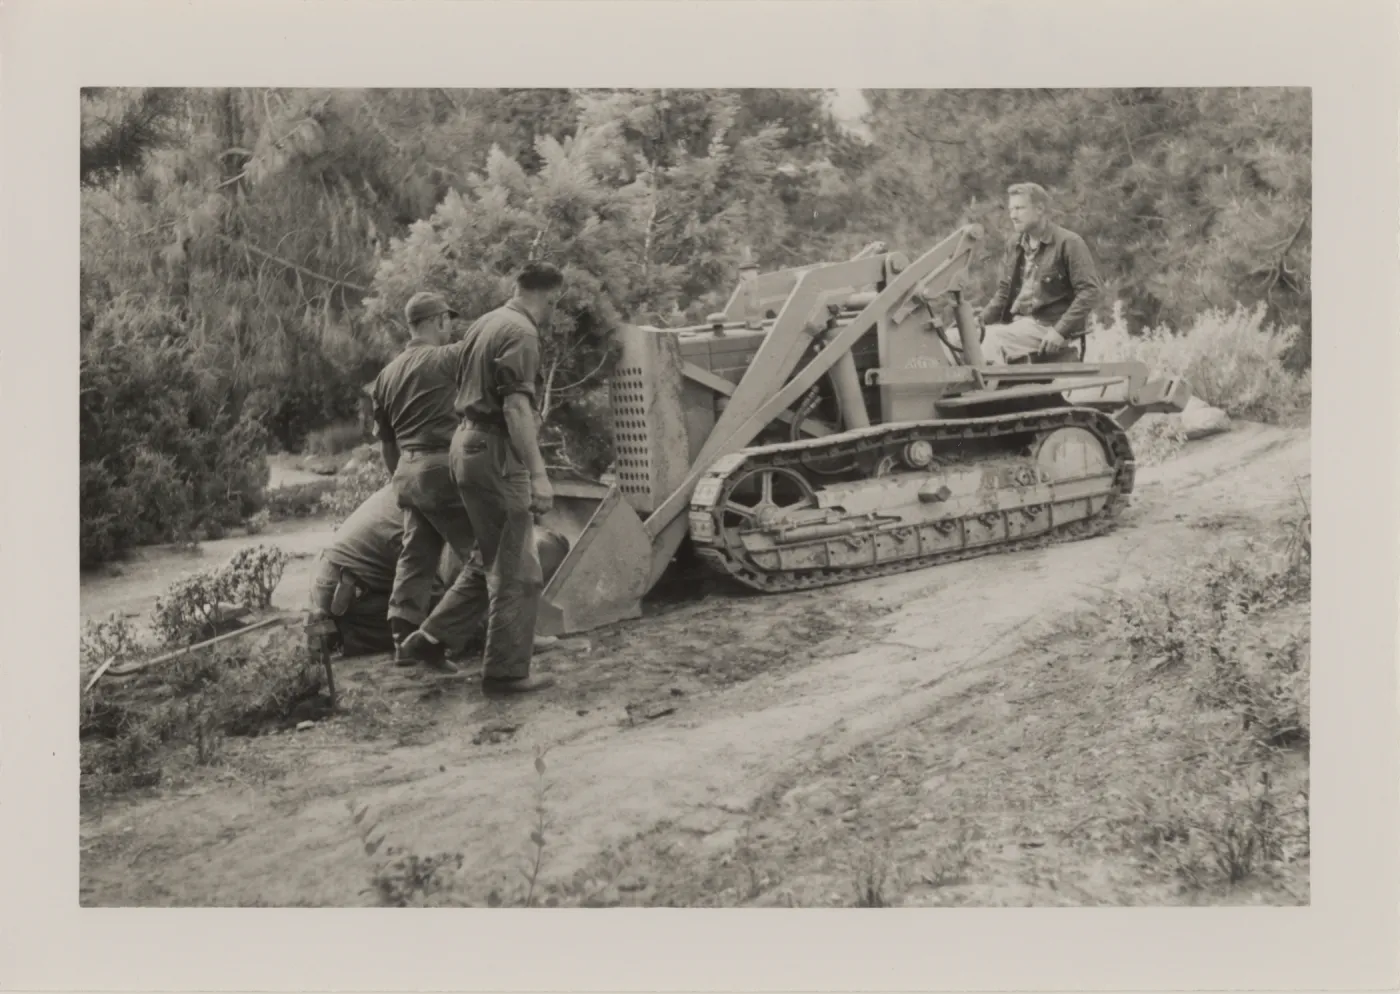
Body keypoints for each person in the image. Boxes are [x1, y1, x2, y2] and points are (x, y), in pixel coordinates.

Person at [378, 264, 566, 696]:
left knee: (485, 556)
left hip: (456, 449)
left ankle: (429, 638)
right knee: (517, 570)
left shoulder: (485, 323)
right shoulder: (521, 332)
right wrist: (538, 474)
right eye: (556, 304)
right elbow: (516, 409)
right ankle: (506, 673)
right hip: (492, 453)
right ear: (551, 297)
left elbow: (390, 438)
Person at [304, 483, 570, 658]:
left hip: (340, 581)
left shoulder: (427, 472)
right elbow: (460, 578)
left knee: (443, 618)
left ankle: (333, 630)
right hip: (358, 593)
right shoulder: (454, 492)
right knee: (452, 630)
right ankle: (340, 632)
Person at [978, 182, 1103, 365]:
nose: (1013, 215)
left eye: (1020, 208)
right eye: (1011, 209)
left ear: (1039, 209)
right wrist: (978, 322)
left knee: (990, 339)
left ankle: (989, 391)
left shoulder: (1068, 243)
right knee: (957, 338)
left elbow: (1090, 291)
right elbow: (1004, 293)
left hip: (1047, 327)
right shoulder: (1015, 244)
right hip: (1017, 326)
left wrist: (1060, 331)